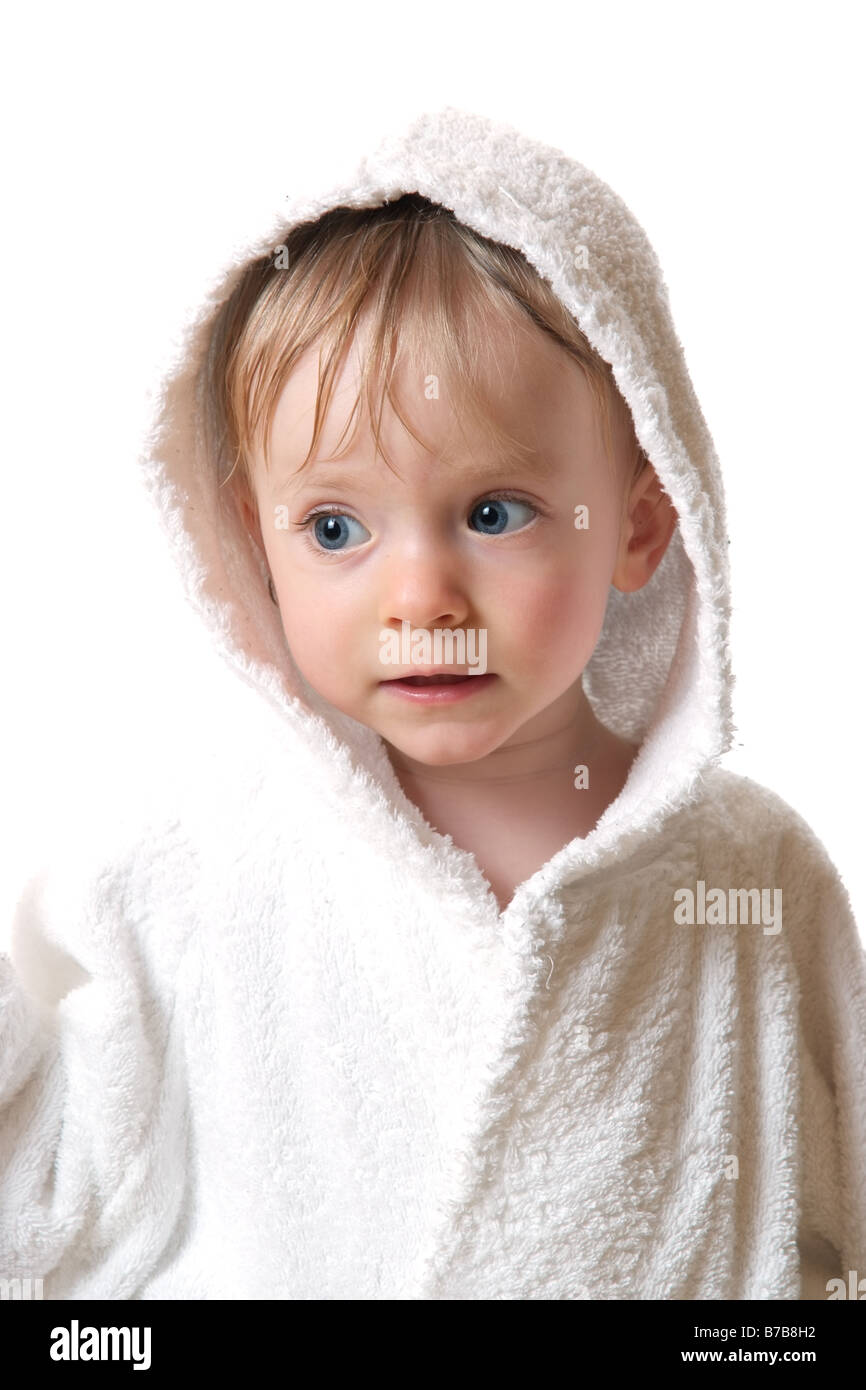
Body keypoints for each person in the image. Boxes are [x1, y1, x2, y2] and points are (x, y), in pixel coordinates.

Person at [2, 106, 864, 1300]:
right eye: (336, 528)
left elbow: (831, 1224)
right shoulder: (184, 873)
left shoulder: (759, 879)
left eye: (494, 511)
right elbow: (42, 1192)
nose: (419, 595)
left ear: (636, 523)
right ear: (256, 542)